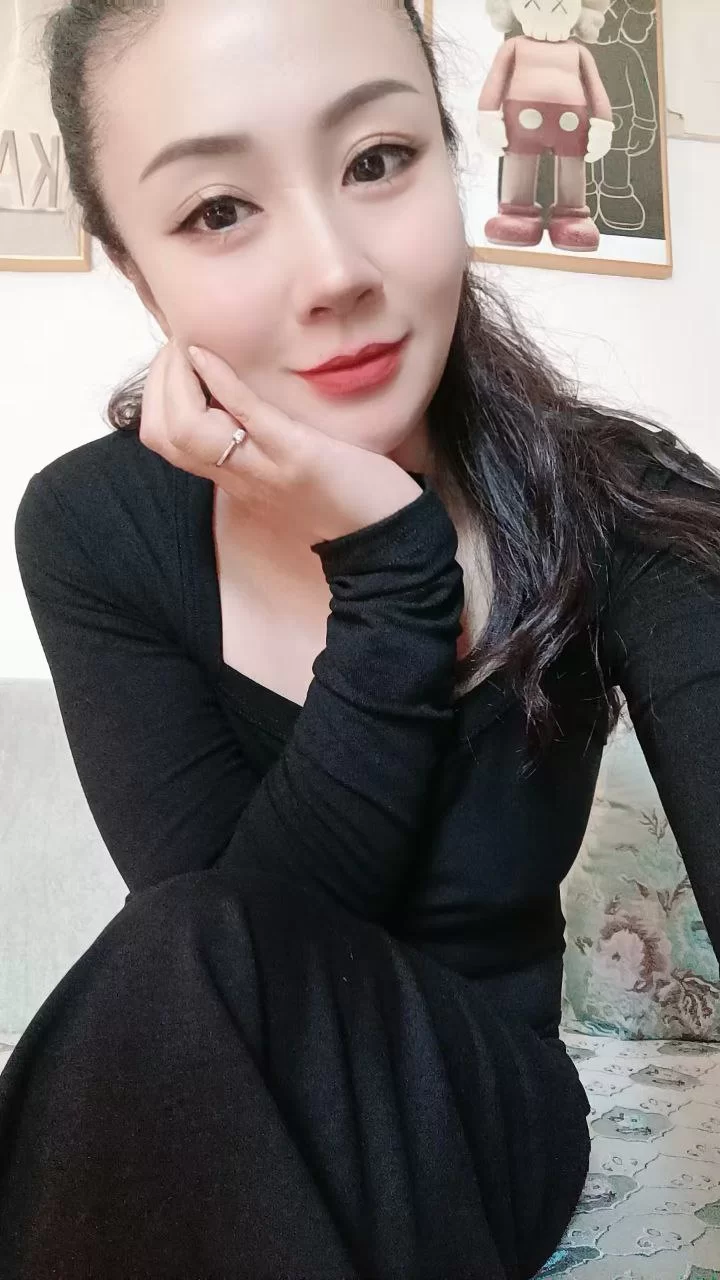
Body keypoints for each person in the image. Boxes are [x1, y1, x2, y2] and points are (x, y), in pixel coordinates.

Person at [0, 0, 718, 1276]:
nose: (335, 271)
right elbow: (250, 957)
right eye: (219, 209)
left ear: (448, 155)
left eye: (379, 159)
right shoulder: (91, 527)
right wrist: (392, 570)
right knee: (179, 948)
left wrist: (391, 561)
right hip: (218, 1083)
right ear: (135, 269)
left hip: (483, 1110)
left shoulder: (617, 500)